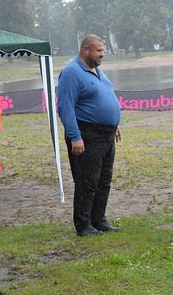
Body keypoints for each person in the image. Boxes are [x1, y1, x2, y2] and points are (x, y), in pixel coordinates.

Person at [57, 34, 122, 237]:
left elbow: (103, 98)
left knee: (104, 180)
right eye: (99, 51)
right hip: (87, 135)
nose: (103, 54)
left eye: (103, 50)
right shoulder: (71, 73)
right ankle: (83, 224)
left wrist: (114, 123)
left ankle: (98, 219)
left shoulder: (97, 69)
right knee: (87, 181)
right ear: (85, 50)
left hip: (107, 135)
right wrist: (75, 136)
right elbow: (65, 107)